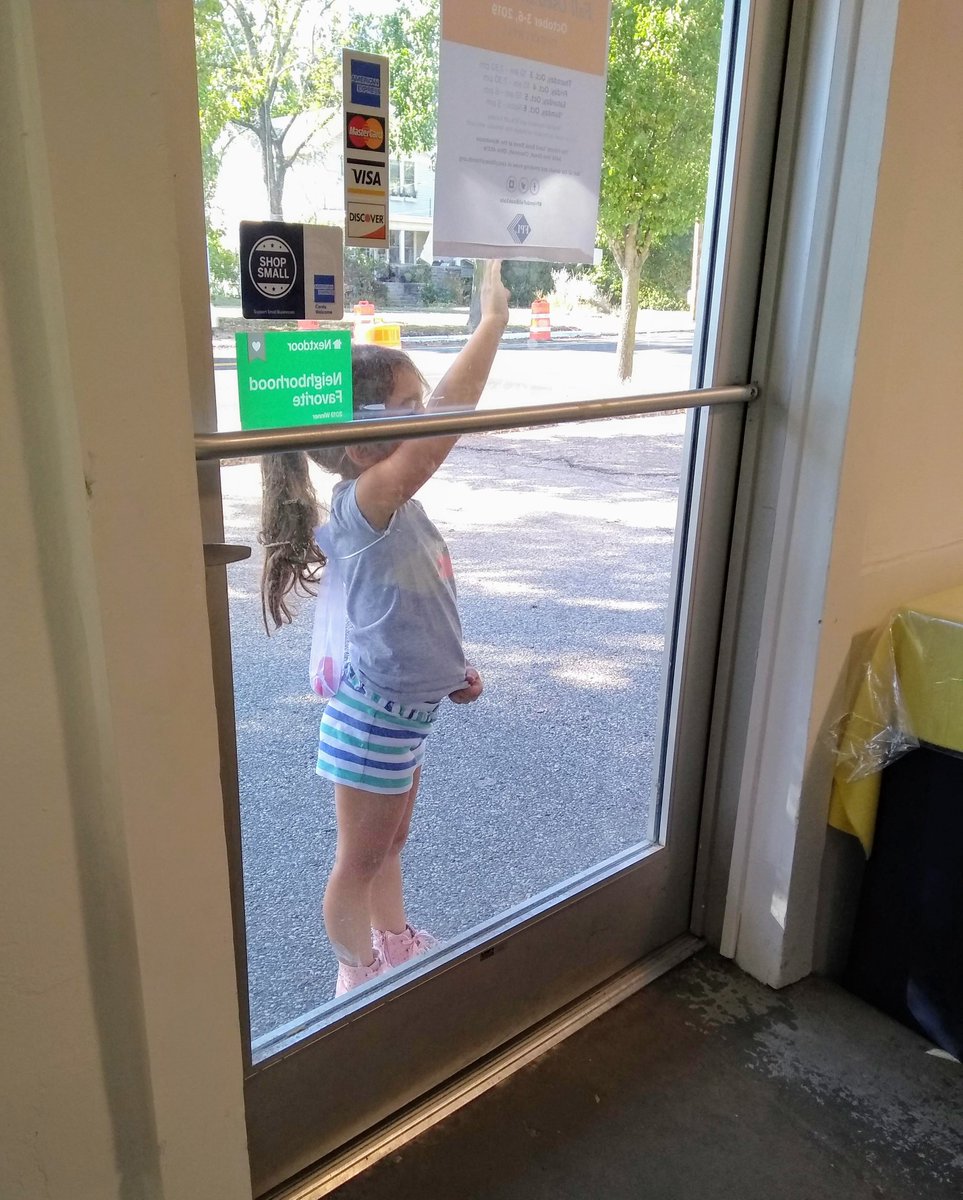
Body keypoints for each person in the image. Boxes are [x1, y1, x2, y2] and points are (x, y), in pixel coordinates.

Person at [260, 260, 510, 996]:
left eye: (420, 404)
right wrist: (491, 324)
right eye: (409, 408)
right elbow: (443, 432)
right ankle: (355, 973)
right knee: (359, 860)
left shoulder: (397, 508)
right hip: (373, 721)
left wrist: (453, 672)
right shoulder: (365, 505)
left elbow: (416, 607)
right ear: (363, 443)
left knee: (391, 842)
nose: (425, 417)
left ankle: (392, 942)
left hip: (405, 711)